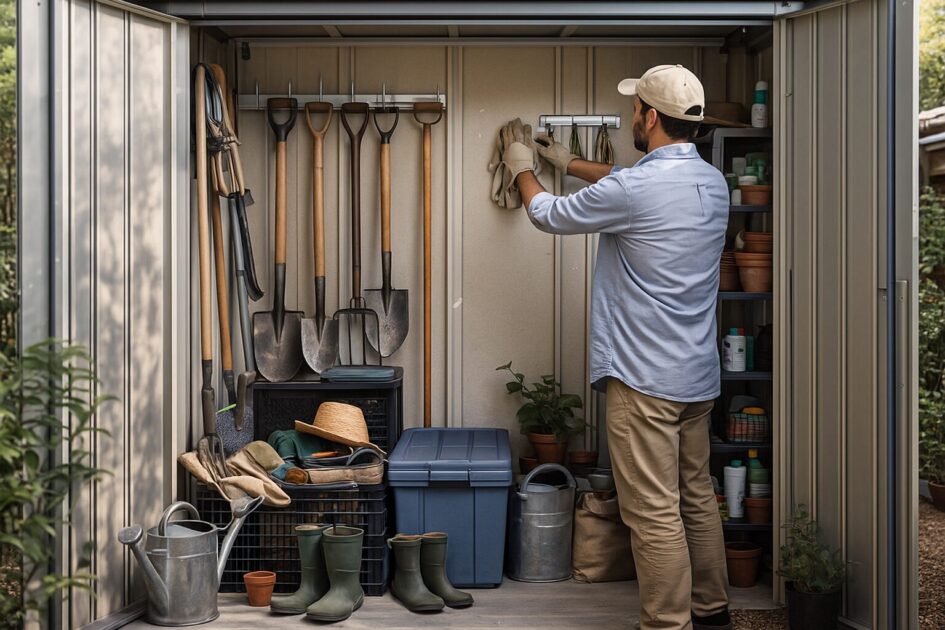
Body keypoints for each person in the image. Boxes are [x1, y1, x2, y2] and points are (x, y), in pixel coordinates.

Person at [500, 65, 732, 630]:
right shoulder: (712, 182)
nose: (633, 116)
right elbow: (632, 183)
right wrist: (569, 163)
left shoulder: (634, 189)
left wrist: (526, 169)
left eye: (635, 110)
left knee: (653, 510)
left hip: (644, 381)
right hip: (696, 378)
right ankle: (713, 611)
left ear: (650, 117)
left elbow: (548, 214)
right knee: (695, 497)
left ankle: (667, 624)